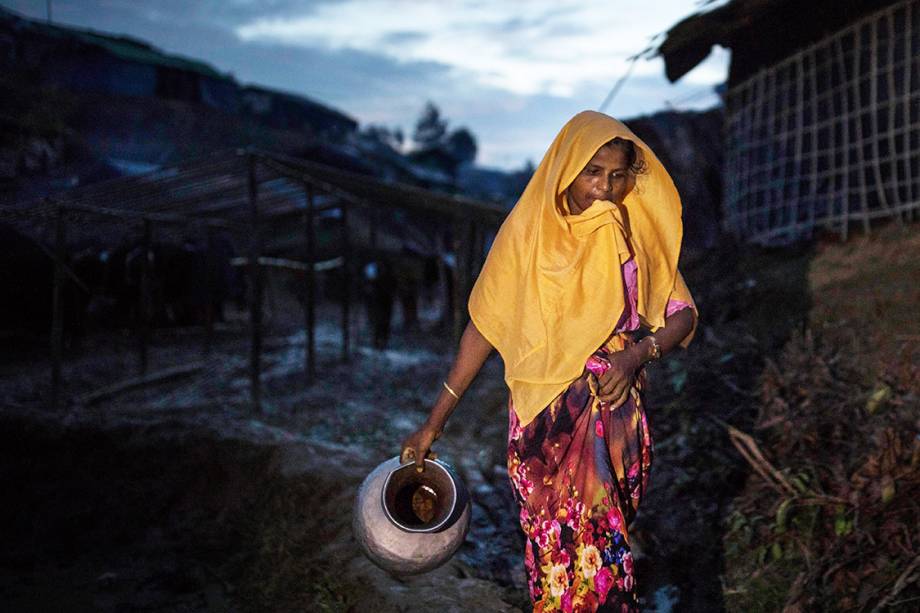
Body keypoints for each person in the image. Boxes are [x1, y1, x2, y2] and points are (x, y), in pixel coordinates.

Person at [401, 111, 698, 612]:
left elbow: (682, 314)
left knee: (601, 561)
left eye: (617, 175)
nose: (604, 187)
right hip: (544, 426)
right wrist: (434, 423)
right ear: (566, 168)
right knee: (559, 564)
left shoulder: (632, 237)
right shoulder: (527, 235)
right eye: (593, 171)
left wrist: (636, 357)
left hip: (612, 417)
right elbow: (484, 329)